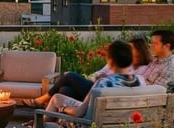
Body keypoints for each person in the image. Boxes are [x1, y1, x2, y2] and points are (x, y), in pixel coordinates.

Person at [18, 37, 152, 108]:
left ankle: (38, 122)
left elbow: (83, 111)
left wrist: (64, 109)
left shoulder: (106, 83)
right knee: (64, 90)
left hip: (94, 110)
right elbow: (99, 74)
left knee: (68, 79)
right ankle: (40, 119)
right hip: (103, 97)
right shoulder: (139, 80)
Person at [44, 39, 141, 119]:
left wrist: (63, 109)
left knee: (56, 98)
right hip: (121, 125)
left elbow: (79, 113)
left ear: (110, 62)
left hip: (90, 127)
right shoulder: (140, 80)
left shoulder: (102, 83)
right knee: (64, 92)